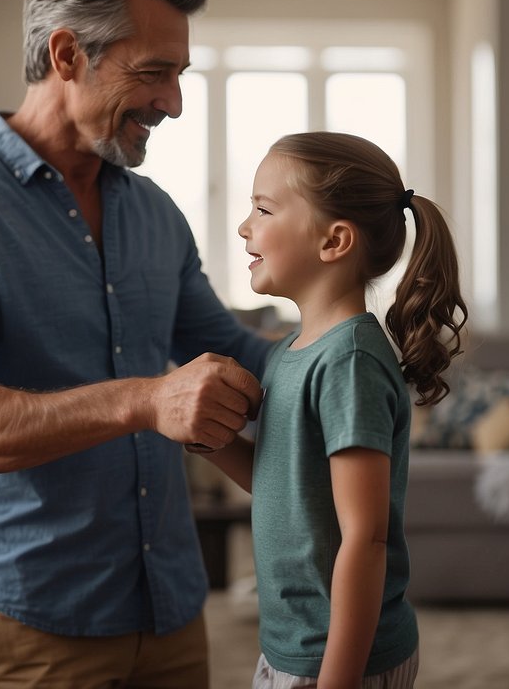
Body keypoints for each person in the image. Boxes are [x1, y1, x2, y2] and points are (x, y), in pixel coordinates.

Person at [0, 0, 272, 688]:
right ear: (65, 56)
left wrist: (351, 355)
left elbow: (230, 346)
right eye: (153, 73)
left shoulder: (156, 213)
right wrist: (144, 400)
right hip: (30, 625)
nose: (174, 103)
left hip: (173, 611)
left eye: (179, 74)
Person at [200, 132, 468, 688]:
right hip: (294, 646)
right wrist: (210, 439)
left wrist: (337, 680)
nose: (244, 227)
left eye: (263, 208)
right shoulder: (290, 351)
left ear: (334, 241)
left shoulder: (349, 363)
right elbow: (285, 487)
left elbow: (365, 539)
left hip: (339, 660)